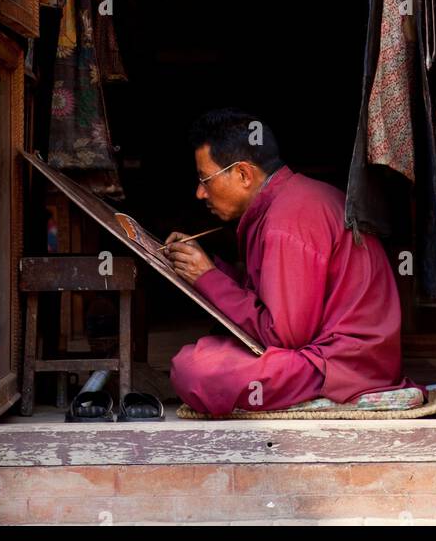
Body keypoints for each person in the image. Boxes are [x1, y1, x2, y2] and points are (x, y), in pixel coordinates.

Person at [166, 109, 418, 415]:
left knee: (196, 369)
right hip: (345, 357)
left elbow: (284, 336)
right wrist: (208, 269)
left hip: (343, 366)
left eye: (205, 179)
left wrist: (207, 278)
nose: (200, 192)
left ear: (244, 174)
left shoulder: (287, 220)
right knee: (206, 351)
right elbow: (268, 298)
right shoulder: (288, 201)